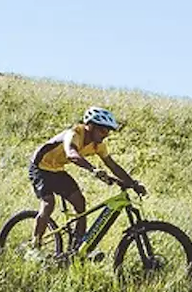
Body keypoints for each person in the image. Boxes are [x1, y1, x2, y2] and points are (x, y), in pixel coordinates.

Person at [28, 107, 146, 249]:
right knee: (49, 203)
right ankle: (35, 245)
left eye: (108, 131)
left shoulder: (98, 145)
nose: (106, 134)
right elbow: (71, 154)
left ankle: (77, 247)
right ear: (90, 126)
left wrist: (133, 183)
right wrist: (93, 169)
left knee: (80, 204)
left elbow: (112, 165)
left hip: (57, 170)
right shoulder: (74, 134)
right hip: (40, 167)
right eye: (103, 130)